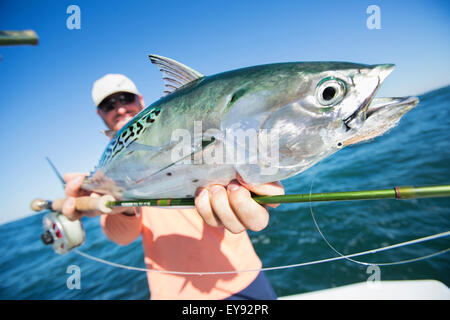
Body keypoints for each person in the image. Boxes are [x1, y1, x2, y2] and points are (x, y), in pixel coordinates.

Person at [62, 74, 285, 300]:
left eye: (125, 98)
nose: (120, 109)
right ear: (100, 114)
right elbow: (121, 237)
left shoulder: (194, 126)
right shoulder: (111, 170)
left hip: (241, 276)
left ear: (140, 99)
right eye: (109, 105)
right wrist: (122, 206)